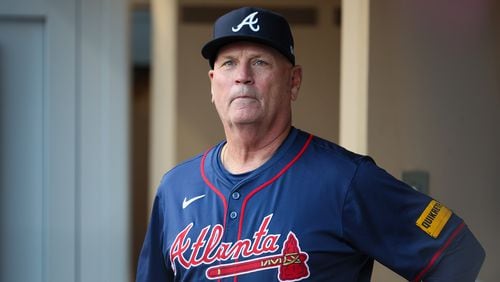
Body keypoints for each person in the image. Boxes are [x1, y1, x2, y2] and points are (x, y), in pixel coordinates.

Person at [136, 6, 485, 282]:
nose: (243, 75)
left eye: (260, 62)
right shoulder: (175, 188)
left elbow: (456, 252)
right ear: (214, 84)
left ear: (293, 82)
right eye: (229, 63)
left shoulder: (346, 180)